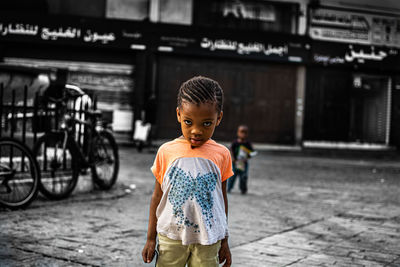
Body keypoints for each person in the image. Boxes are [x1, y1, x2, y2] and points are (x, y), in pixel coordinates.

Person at [142, 76, 233, 267]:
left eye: (206, 123)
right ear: (178, 115)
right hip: (170, 236)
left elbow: (221, 200)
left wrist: (224, 240)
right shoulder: (166, 152)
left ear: (219, 118)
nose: (196, 131)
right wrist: (151, 238)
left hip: (209, 239)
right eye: (188, 122)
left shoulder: (222, 154)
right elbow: (157, 197)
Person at [228, 125, 254, 195]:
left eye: (245, 133)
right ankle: (229, 188)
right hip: (235, 162)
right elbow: (231, 150)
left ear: (247, 134)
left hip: (243, 163)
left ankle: (243, 189)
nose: (243, 134)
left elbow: (252, 153)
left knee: (244, 176)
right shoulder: (235, 142)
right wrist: (233, 158)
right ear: (238, 133)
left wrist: (247, 158)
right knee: (232, 176)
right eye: (241, 132)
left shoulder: (248, 143)